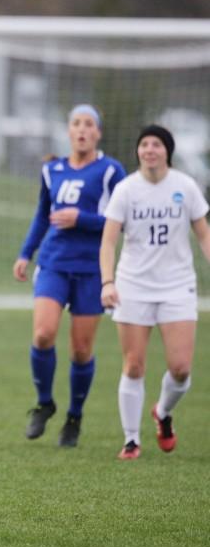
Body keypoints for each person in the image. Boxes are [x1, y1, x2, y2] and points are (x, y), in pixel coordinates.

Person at [13, 105, 125, 447]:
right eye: (76, 123)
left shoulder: (110, 171)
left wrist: (83, 219)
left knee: (80, 350)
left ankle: (74, 417)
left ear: (98, 132)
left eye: (88, 124)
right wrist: (25, 254)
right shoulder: (52, 170)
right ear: (69, 130)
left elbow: (120, 220)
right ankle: (45, 404)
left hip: (92, 269)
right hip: (54, 263)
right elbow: (42, 216)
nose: (81, 129)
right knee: (44, 334)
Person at [100, 124, 210, 460]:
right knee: (133, 365)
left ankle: (162, 412)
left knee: (180, 368)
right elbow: (108, 240)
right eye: (144, 143)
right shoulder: (126, 190)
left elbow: (203, 234)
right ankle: (131, 439)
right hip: (133, 285)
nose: (150, 149)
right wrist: (107, 282)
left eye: (157, 144)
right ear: (138, 151)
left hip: (177, 285)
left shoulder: (185, 187)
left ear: (167, 151)